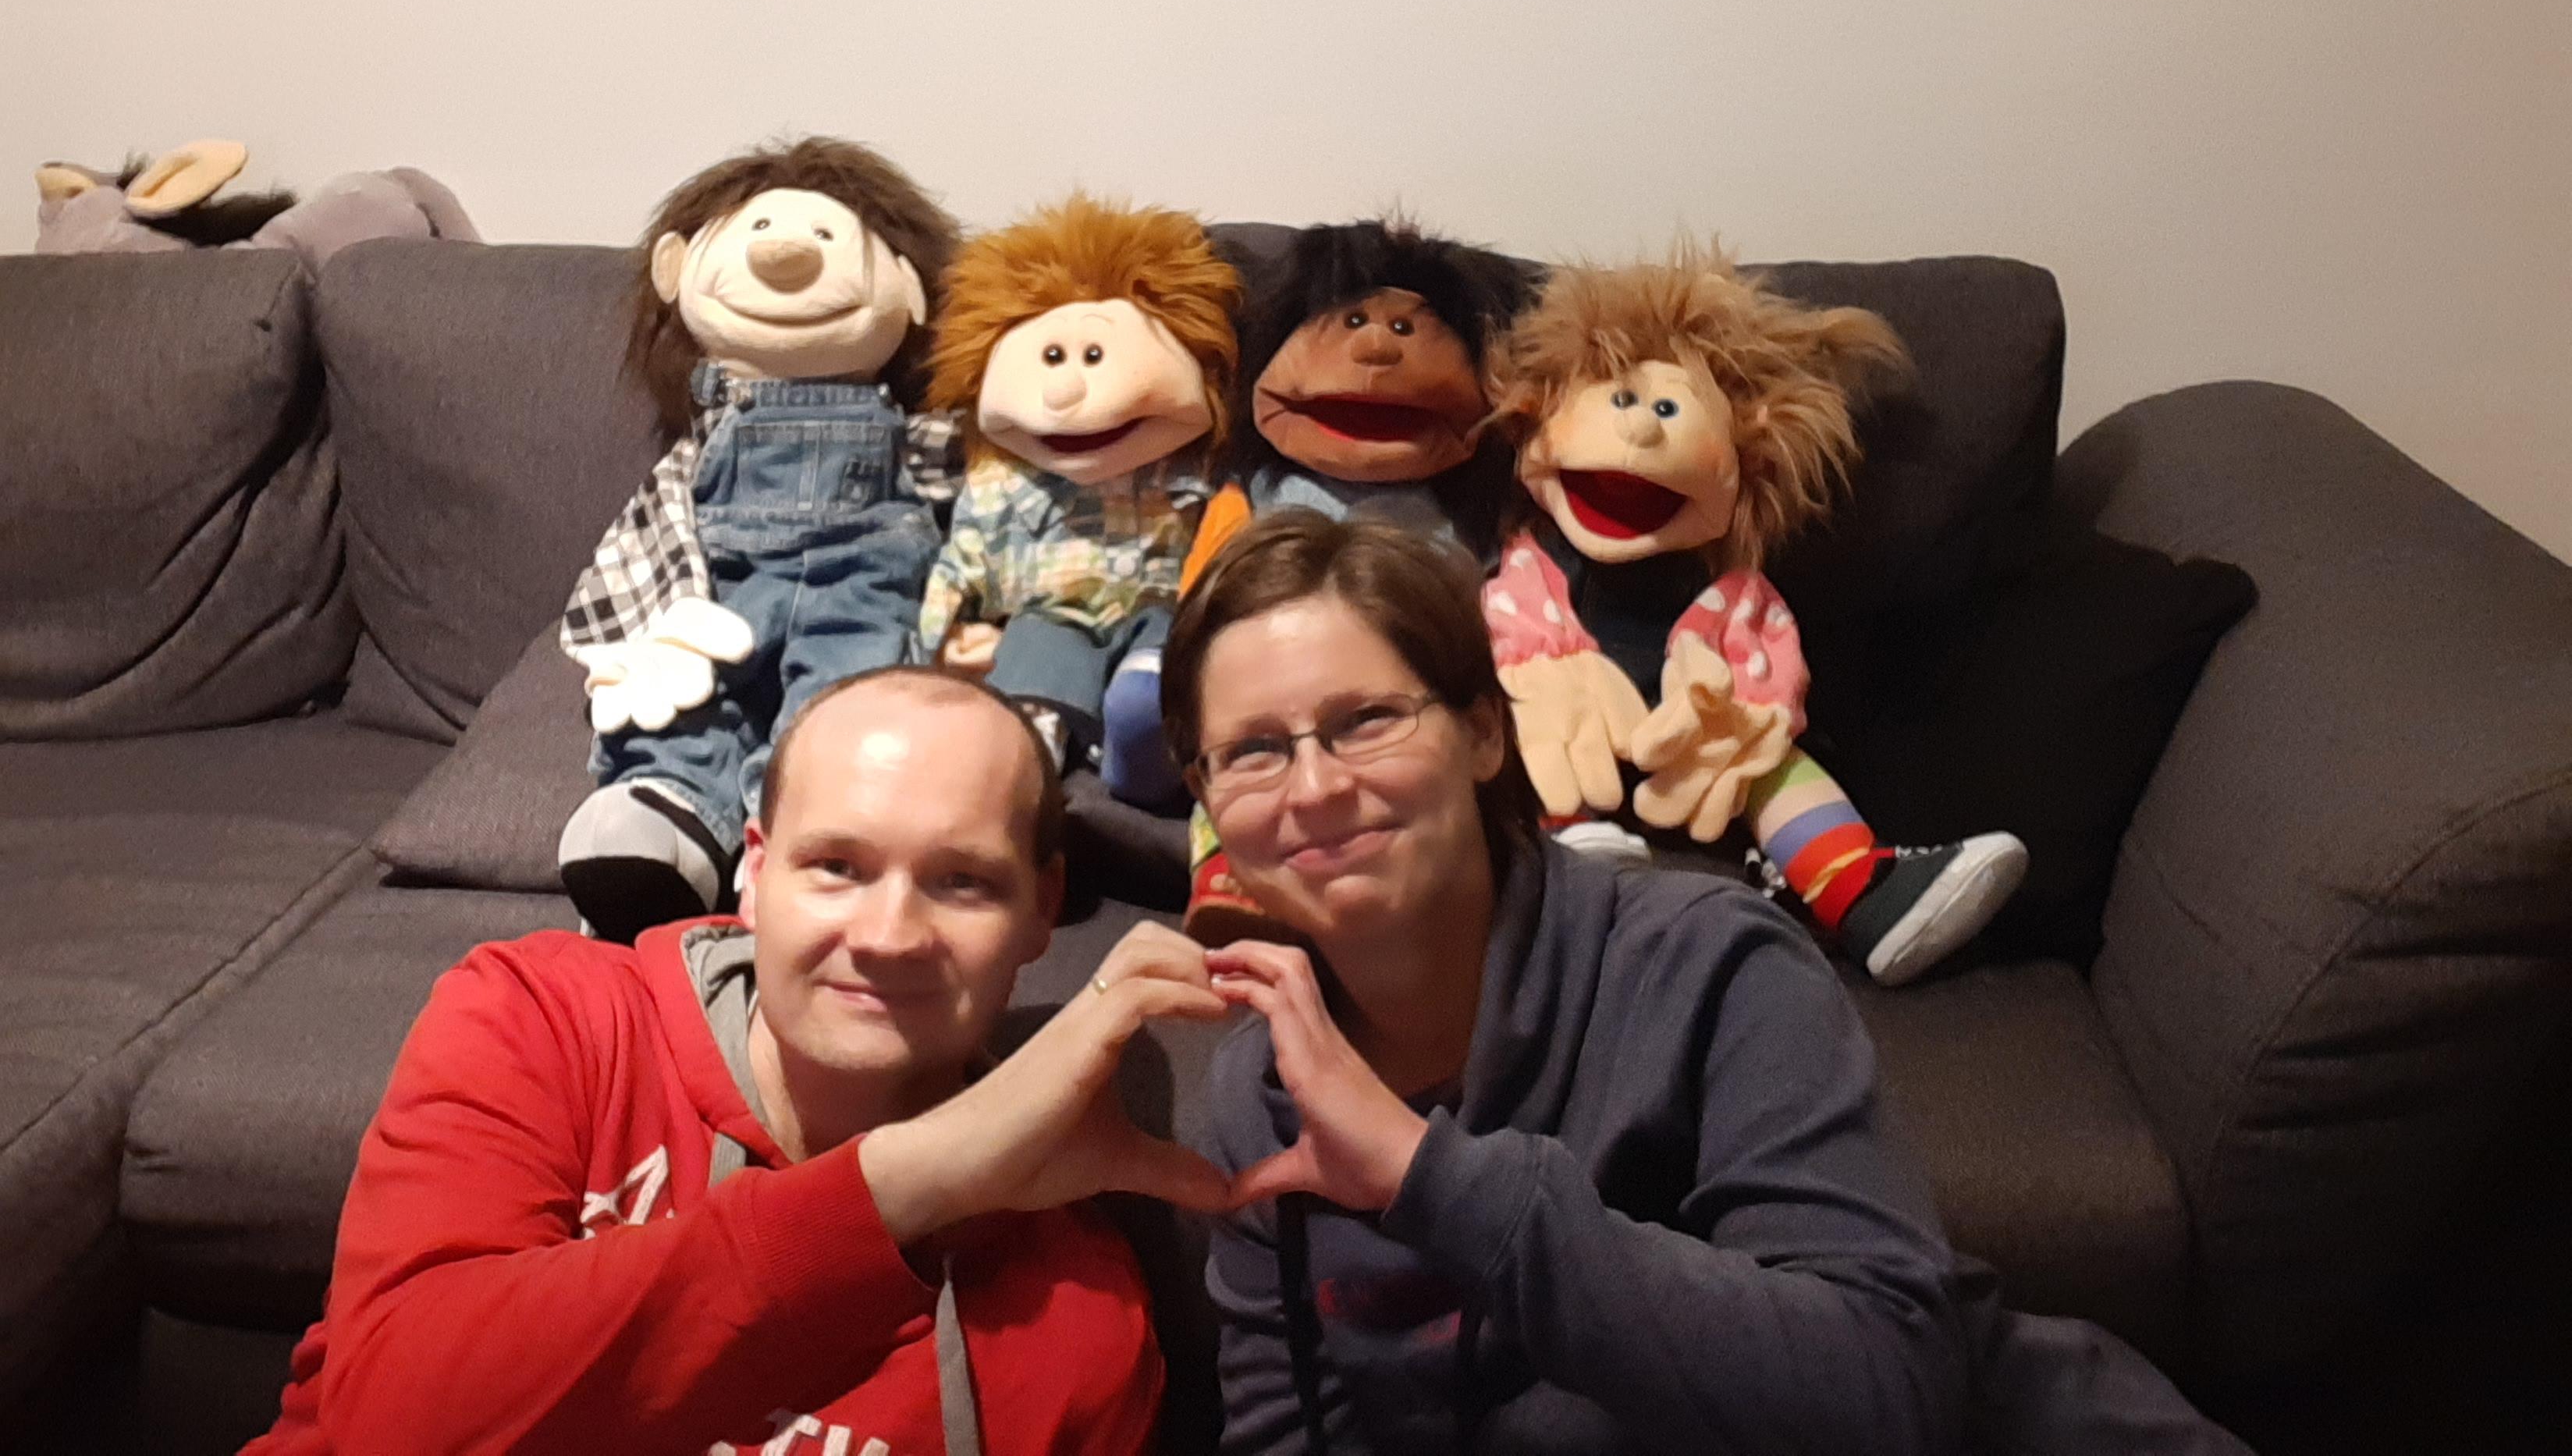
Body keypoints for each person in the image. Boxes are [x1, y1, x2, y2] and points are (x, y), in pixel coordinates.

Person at [1164, 509, 2249, 1455]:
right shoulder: (1261, 1092)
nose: (1314, 787)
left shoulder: (1705, 964)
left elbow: (1884, 1395)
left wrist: (1429, 1178)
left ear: (1485, 733)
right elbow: (1290, 1430)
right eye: (1252, 750)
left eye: (1365, 721)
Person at [248, 665, 1232, 1456]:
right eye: (836, 866)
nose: (887, 936)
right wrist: (904, 1185)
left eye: (961, 882)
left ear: (1040, 910)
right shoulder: (543, 1015)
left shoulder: (1079, 1317)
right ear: (755, 873)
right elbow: (394, 1422)